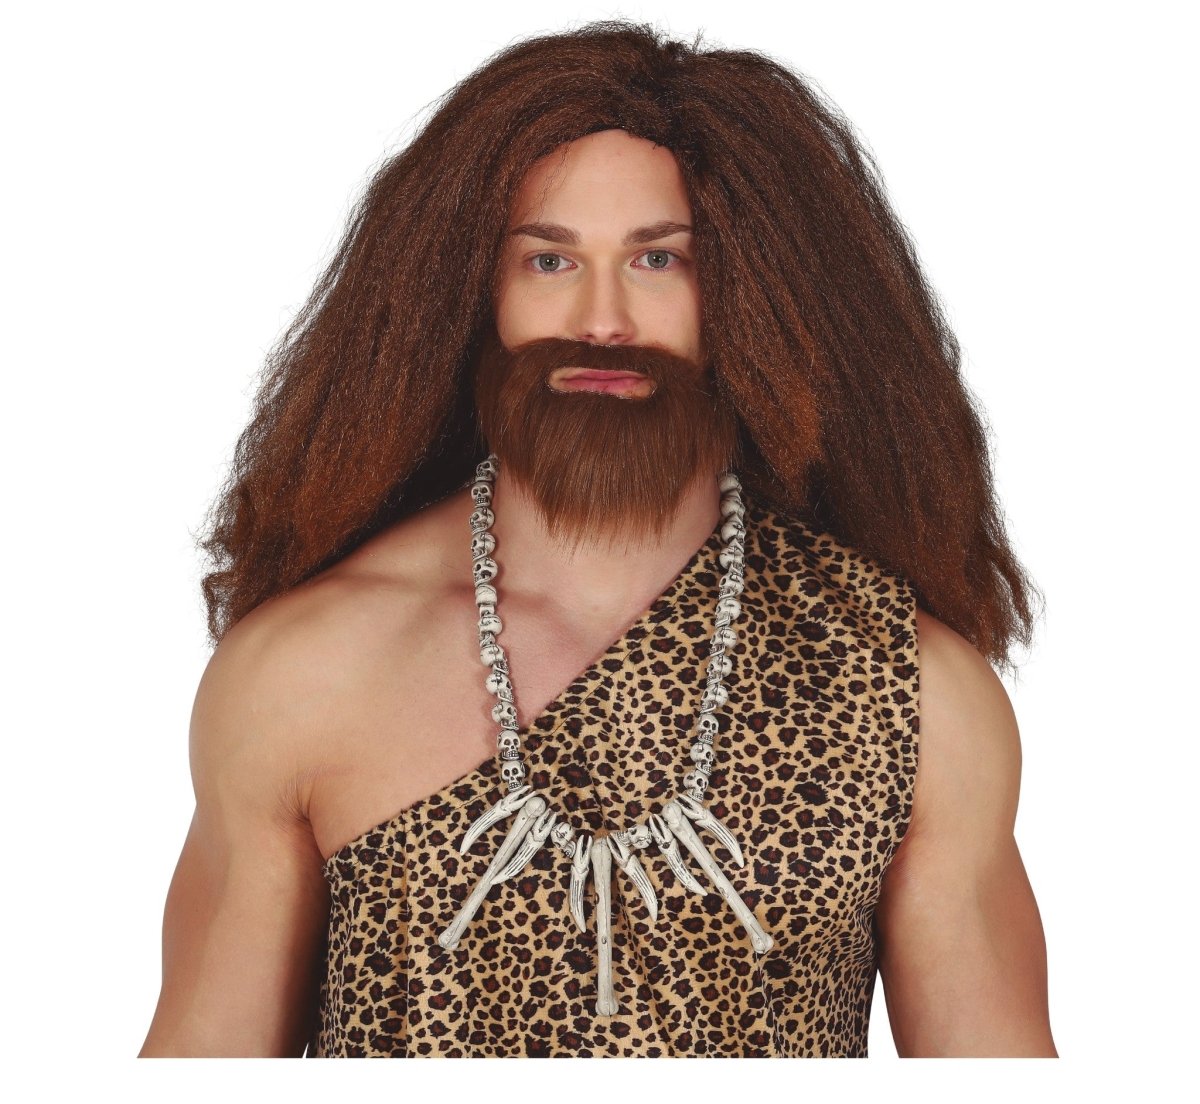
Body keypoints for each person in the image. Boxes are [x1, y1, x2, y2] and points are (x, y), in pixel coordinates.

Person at [138, 19, 1056, 1058]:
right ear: (476, 293)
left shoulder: (907, 692)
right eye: (549, 259)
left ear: (752, 296)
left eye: (658, 259)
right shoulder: (303, 672)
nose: (603, 319)